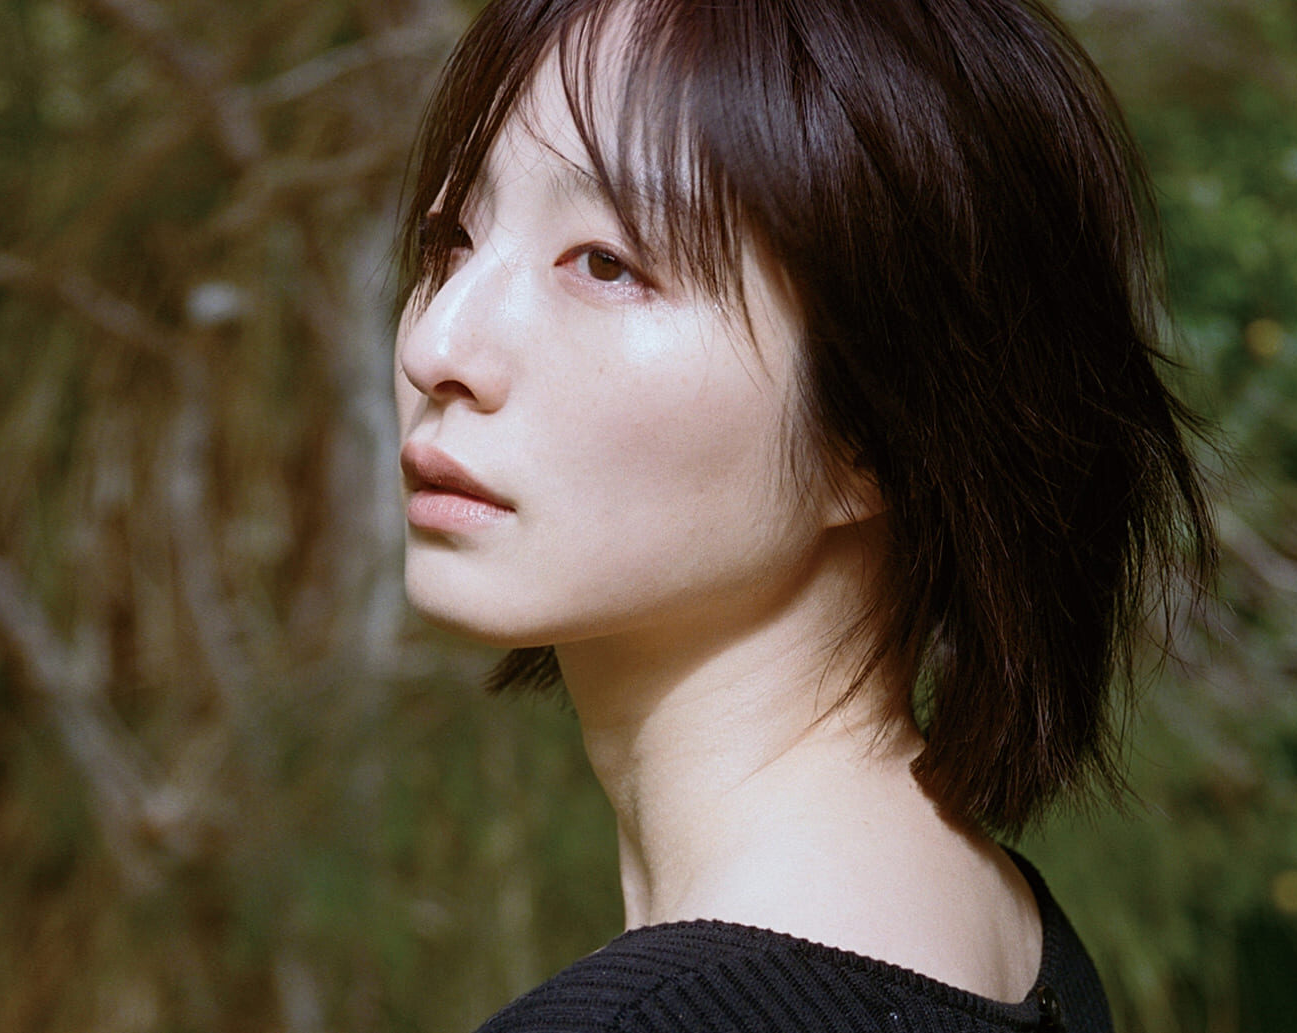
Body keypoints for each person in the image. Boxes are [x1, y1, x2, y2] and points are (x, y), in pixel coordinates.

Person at [391, 0, 1212, 1029]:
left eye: (606, 263)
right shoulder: (1003, 944)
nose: (436, 345)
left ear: (878, 425)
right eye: (450, 240)